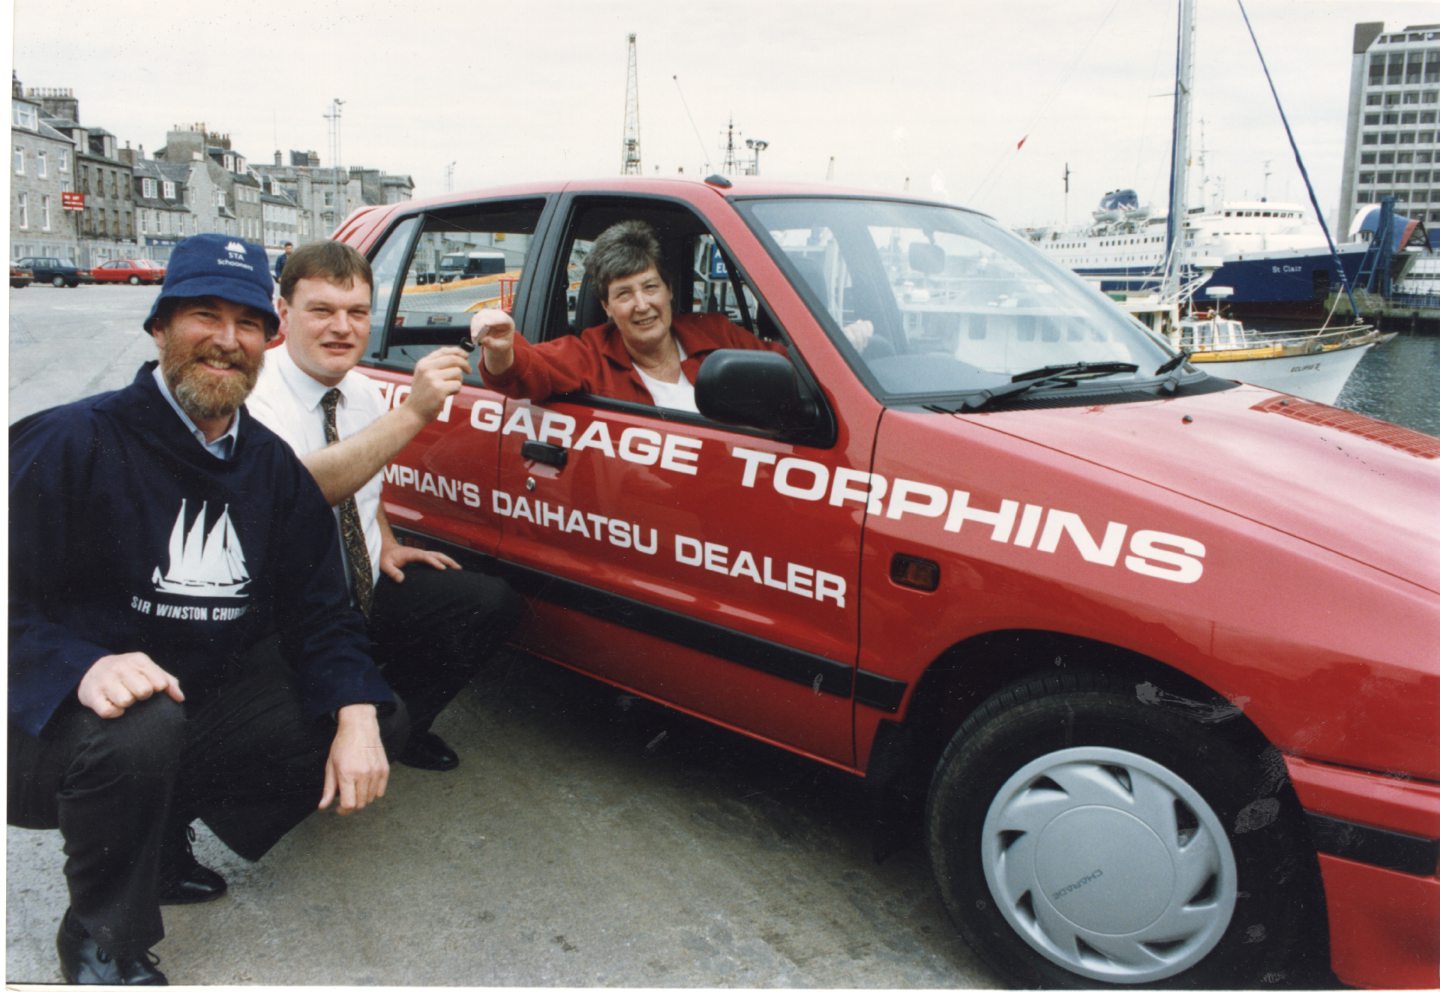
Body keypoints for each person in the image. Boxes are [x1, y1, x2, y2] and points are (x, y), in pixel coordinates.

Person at [8, 233, 406, 986]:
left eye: (247, 322)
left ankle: (153, 841)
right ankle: (101, 929)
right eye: (202, 314)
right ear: (159, 325)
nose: (226, 341)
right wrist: (78, 665)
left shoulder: (272, 471)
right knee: (139, 722)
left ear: (268, 337)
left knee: (370, 712)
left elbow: (322, 612)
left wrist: (356, 711)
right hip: (46, 728)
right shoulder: (70, 441)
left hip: (189, 709)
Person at [247, 240, 520, 773]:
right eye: (321, 311)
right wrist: (415, 412)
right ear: (283, 312)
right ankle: (334, 743)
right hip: (292, 613)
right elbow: (299, 490)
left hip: (360, 585)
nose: (341, 328)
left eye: (357, 313)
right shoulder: (254, 393)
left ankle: (405, 727)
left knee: (490, 603)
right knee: (316, 720)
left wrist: (388, 542)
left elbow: (362, 480)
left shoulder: (364, 391)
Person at [470, 219, 873, 411]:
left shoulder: (714, 332)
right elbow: (528, 371)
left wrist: (843, 348)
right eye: (624, 294)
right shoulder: (590, 353)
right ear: (607, 308)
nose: (642, 305)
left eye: (650, 287)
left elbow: (783, 367)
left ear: (668, 290)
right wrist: (502, 349)